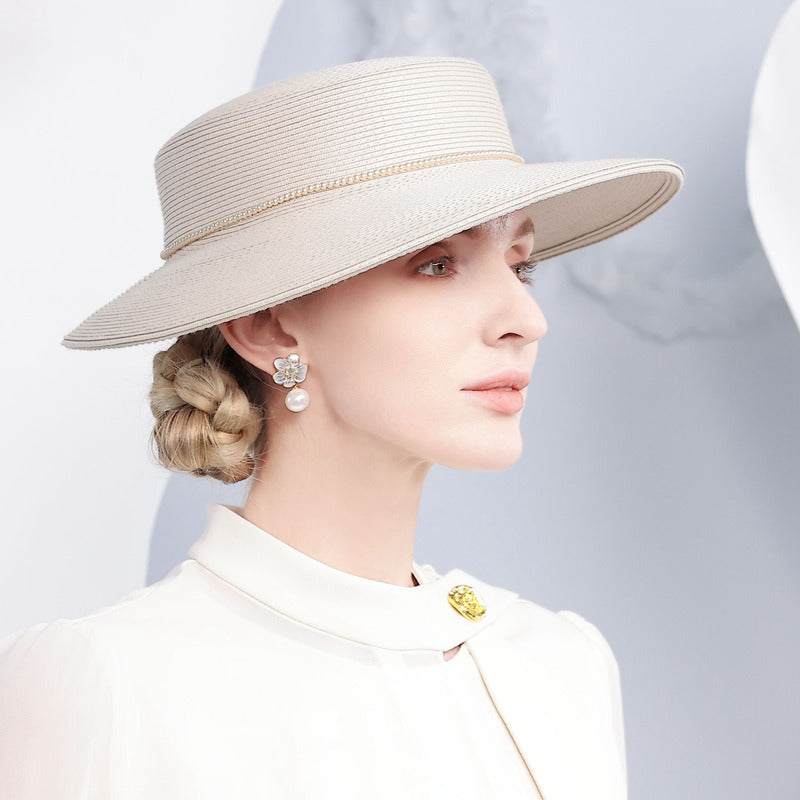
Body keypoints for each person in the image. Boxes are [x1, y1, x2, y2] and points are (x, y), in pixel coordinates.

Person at [0, 56, 683, 799]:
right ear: (268, 328)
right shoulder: (108, 681)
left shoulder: (560, 663)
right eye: (437, 264)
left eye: (521, 266)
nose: (527, 319)